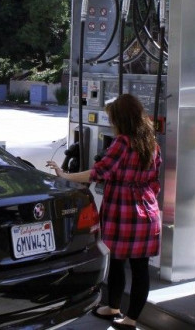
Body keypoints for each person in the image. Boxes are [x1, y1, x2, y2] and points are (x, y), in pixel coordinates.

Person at [47, 93, 161, 330]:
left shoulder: (122, 142)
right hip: (147, 209)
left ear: (121, 118)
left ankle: (123, 315)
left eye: (112, 118)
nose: (110, 122)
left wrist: (65, 175)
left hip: (122, 209)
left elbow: (99, 172)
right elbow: (154, 180)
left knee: (117, 260)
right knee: (139, 266)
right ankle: (122, 312)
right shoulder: (151, 142)